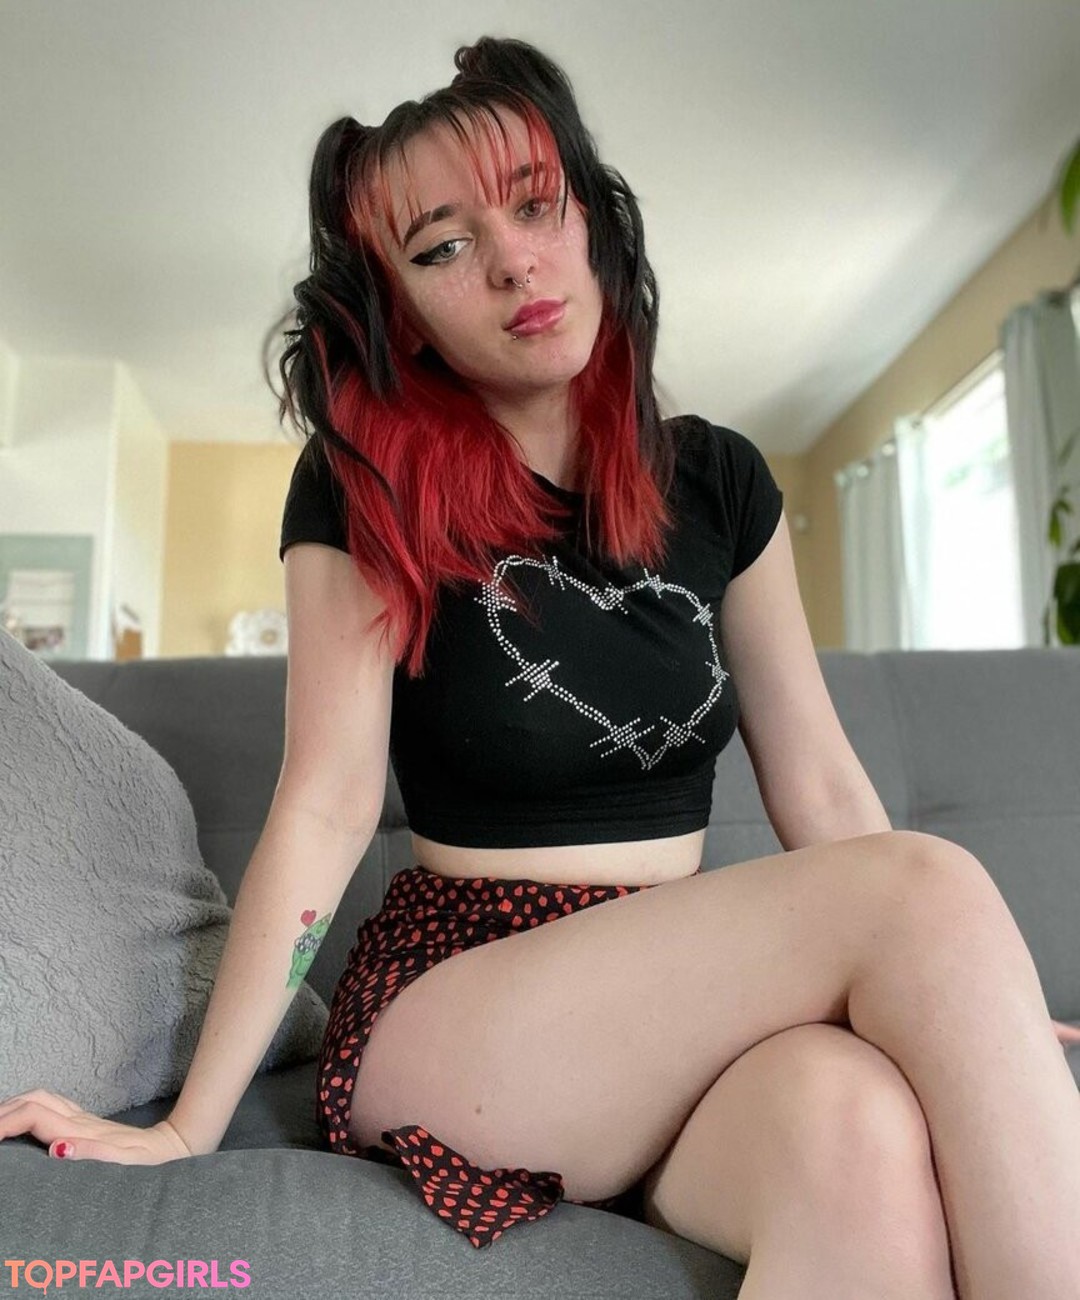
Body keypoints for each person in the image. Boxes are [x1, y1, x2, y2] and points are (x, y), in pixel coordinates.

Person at [2, 34, 1079, 1294]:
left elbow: (826, 788)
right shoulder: (364, 482)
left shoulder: (720, 481)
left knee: (858, 1135)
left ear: (591, 220)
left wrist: (967, 1003)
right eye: (442, 248)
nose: (512, 260)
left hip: (675, 1012)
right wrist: (190, 1122)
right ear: (399, 310)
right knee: (925, 890)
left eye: (533, 205)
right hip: (462, 1001)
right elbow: (327, 802)